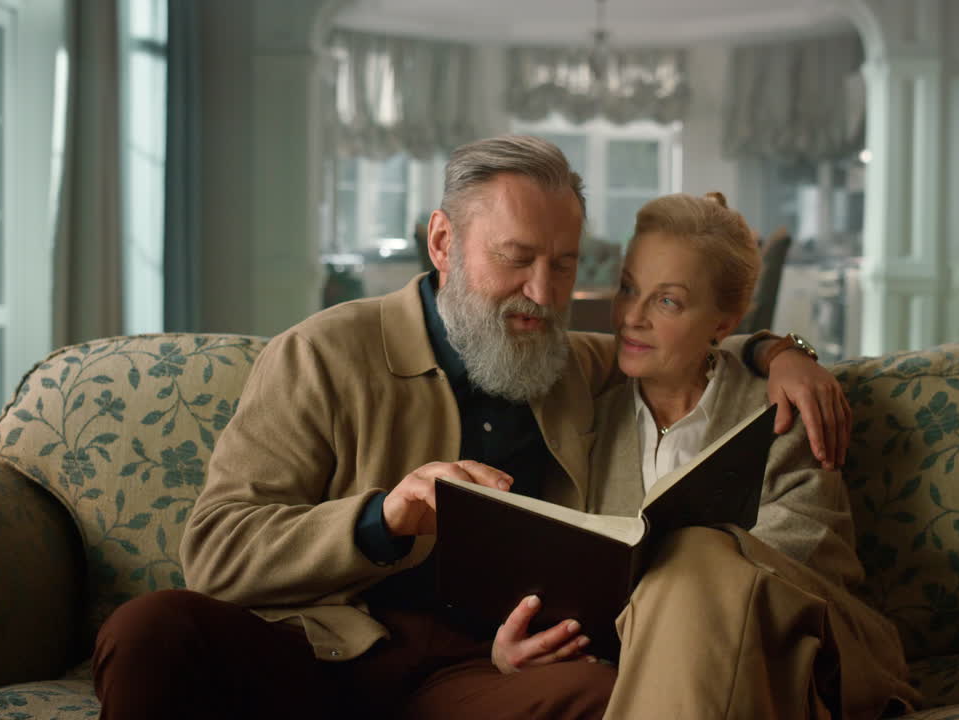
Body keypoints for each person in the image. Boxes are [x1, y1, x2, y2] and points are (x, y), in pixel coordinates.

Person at [91, 135, 849, 719]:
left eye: (563, 265)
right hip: (319, 651)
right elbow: (216, 554)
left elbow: (678, 345)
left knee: (604, 695)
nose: (543, 292)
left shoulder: (568, 362)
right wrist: (385, 516)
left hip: (479, 673)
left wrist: (781, 353)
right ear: (444, 242)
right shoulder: (322, 353)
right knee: (151, 628)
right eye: (516, 260)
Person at [575, 192, 920, 717]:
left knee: (697, 555)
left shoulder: (780, 410)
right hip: (647, 668)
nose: (630, 317)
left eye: (667, 301)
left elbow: (813, 563)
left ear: (723, 323)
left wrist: (680, 577)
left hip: (793, 651)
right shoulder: (588, 419)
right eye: (628, 288)